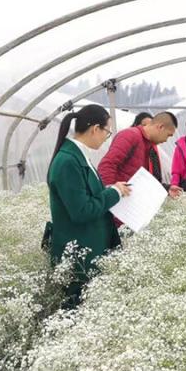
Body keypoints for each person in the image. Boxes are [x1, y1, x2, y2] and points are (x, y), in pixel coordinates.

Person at [46, 104, 131, 308]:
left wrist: (112, 188)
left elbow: (86, 195)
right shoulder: (68, 161)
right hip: (80, 254)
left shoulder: (78, 156)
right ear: (95, 129)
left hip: (91, 247)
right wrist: (114, 193)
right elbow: (81, 210)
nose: (106, 138)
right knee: (76, 310)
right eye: (107, 132)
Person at [98, 111, 182, 223]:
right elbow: (107, 165)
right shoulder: (130, 135)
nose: (166, 140)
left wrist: (166, 189)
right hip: (118, 211)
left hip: (130, 212)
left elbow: (141, 179)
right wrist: (110, 197)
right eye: (168, 135)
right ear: (160, 127)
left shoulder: (148, 145)